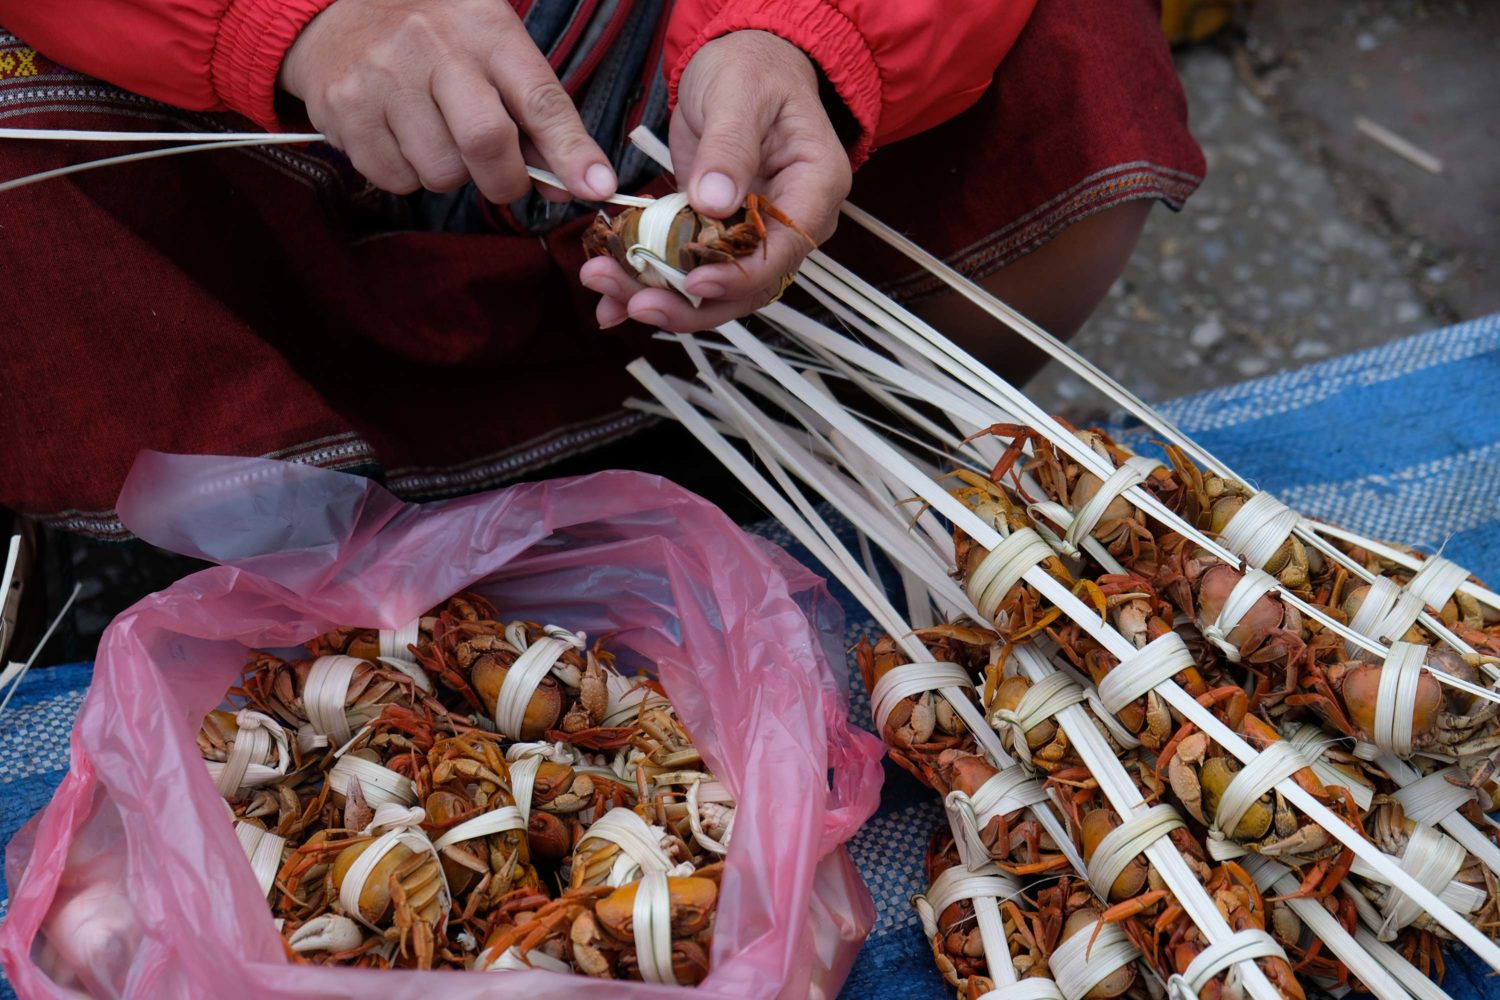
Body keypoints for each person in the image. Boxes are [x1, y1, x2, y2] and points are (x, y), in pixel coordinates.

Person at [0, 0, 1204, 536]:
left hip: (665, 42)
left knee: (1072, 44)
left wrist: (811, 36)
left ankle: (792, 464)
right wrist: (289, 20)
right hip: (195, 82)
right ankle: (251, 523)